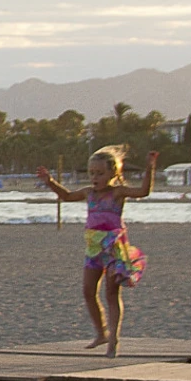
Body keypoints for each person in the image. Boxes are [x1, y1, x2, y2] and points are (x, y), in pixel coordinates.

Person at [34, 146, 157, 356]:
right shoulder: (88, 193)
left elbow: (143, 192)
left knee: (111, 293)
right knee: (88, 291)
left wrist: (149, 168)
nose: (94, 178)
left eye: (100, 173)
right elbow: (67, 196)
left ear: (112, 173)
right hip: (93, 249)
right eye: (91, 173)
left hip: (113, 249)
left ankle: (113, 339)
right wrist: (50, 181)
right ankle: (101, 333)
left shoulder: (117, 193)